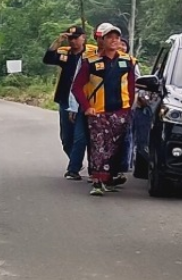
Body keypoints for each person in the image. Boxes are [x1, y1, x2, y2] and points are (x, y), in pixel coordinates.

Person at [72, 21, 137, 196]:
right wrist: (86, 108)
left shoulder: (127, 61)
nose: (114, 41)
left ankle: (108, 178)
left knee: (115, 147)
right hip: (98, 112)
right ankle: (97, 181)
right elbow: (77, 87)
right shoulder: (90, 63)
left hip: (120, 112)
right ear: (103, 40)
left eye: (117, 37)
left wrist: (129, 108)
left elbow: (131, 87)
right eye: (110, 38)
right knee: (98, 147)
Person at [43, 24, 89, 180]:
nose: (73, 42)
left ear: (83, 38)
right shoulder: (65, 55)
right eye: (70, 39)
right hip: (65, 99)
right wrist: (58, 41)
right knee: (66, 138)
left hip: (83, 100)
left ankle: (73, 168)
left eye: (76, 38)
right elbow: (48, 58)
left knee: (80, 136)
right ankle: (75, 160)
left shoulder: (90, 55)